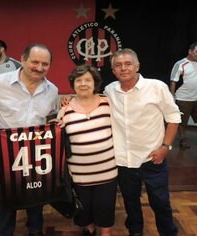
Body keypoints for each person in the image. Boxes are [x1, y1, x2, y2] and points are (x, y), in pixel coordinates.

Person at [0, 43, 58, 236]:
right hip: (5, 152)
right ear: (23, 60)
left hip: (37, 151)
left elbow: (50, 117)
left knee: (37, 192)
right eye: (35, 62)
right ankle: (4, 232)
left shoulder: (52, 90)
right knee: (7, 195)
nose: (39, 67)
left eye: (45, 64)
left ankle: (35, 229)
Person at [106, 49, 180, 236]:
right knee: (130, 202)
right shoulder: (109, 90)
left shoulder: (157, 87)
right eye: (118, 65)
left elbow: (173, 118)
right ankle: (135, 231)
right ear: (113, 70)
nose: (123, 68)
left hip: (152, 158)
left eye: (128, 64)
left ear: (137, 66)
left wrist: (165, 147)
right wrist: (68, 100)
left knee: (161, 203)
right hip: (123, 160)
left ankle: (168, 232)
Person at [57, 64, 118, 236]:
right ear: (73, 84)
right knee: (84, 216)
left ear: (95, 83)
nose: (83, 84)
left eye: (87, 80)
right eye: (78, 80)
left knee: (105, 214)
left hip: (107, 174)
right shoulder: (64, 110)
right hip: (78, 175)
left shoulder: (108, 104)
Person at [170, 42, 197, 149]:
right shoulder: (180, 64)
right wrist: (172, 97)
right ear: (190, 51)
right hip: (183, 98)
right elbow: (173, 81)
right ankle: (183, 139)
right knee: (182, 122)